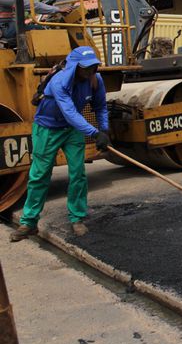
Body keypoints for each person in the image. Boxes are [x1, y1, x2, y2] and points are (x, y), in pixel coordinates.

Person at [10, 46, 110, 241]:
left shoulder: (95, 80)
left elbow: (100, 106)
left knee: (78, 173)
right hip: (48, 128)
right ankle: (29, 223)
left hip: (71, 131)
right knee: (40, 174)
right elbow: (70, 113)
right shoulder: (59, 82)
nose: (90, 71)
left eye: (93, 67)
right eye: (85, 67)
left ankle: (77, 218)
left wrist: (104, 130)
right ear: (74, 66)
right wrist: (94, 132)